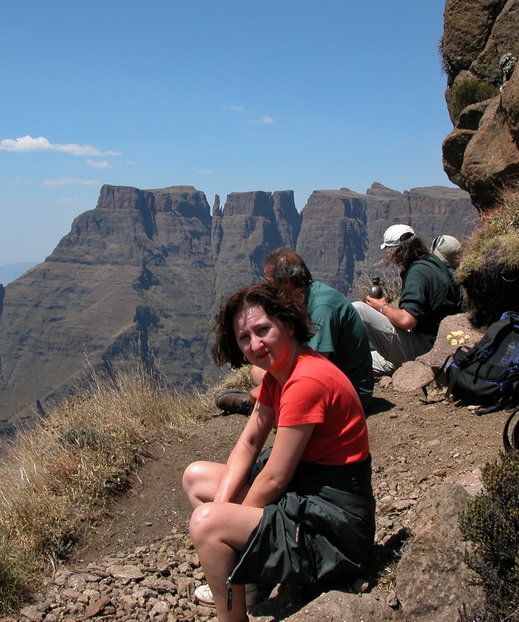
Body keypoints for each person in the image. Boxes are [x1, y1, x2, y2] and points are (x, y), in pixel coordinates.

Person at [184, 283, 375, 622]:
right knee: (197, 477)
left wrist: (228, 523)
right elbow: (249, 443)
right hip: (304, 499)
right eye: (245, 337)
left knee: (207, 523)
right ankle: (252, 581)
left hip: (333, 531)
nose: (255, 344)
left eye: (263, 330)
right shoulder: (280, 374)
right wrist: (227, 507)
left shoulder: (306, 381)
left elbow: (274, 478)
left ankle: (234, 616)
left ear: (287, 325)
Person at [217, 250, 374, 412]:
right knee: (258, 371)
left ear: (286, 281)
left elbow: (317, 365)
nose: (268, 289)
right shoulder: (305, 297)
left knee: (269, 375)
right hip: (334, 381)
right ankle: (269, 400)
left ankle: (258, 405)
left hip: (351, 395)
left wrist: (266, 387)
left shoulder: (322, 306)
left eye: (270, 282)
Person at [352, 224, 462, 375]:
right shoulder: (432, 264)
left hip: (424, 349)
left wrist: (382, 307)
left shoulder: (418, 272)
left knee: (358, 309)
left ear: (396, 251)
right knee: (353, 364)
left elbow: (407, 320)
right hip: (437, 345)